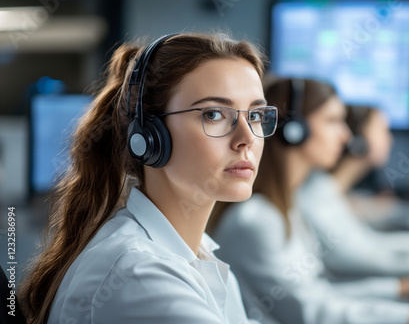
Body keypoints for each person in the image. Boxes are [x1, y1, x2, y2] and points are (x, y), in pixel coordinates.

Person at [20, 33, 278, 324]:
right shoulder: (136, 272)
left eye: (255, 115)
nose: (247, 139)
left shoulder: (196, 252)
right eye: (214, 114)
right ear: (149, 136)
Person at [210, 78, 409, 324]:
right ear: (294, 131)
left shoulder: (285, 208)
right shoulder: (257, 220)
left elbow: (324, 293)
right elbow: (315, 310)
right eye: (333, 120)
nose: (347, 136)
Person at [297, 105, 409, 277]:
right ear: (359, 138)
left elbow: (368, 243)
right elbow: (360, 257)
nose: (390, 139)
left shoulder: (332, 191)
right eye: (383, 131)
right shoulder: (318, 196)